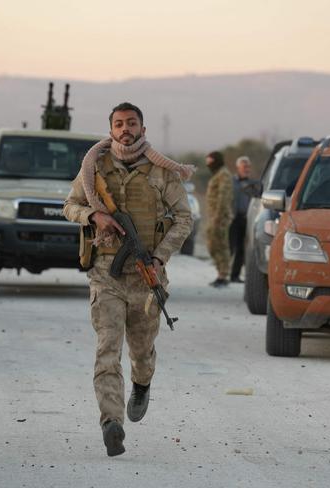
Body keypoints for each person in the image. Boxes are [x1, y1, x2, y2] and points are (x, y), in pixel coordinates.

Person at [63, 102, 194, 457]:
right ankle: (111, 423)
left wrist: (159, 256)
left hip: (146, 275)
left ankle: (142, 384)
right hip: (105, 273)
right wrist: (94, 216)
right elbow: (69, 205)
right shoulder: (95, 167)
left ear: (142, 129)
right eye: (119, 124)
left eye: (131, 123)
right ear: (111, 130)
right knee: (107, 350)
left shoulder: (161, 171)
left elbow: (184, 218)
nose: (125, 129)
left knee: (141, 350)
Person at [205, 151, 233, 287]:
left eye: (210, 162)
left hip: (220, 217)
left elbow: (223, 198)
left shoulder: (224, 175)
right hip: (214, 217)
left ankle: (223, 275)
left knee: (221, 245)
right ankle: (221, 272)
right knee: (212, 245)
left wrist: (217, 217)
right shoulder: (217, 174)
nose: (208, 165)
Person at [229, 155, 255, 283]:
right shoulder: (230, 182)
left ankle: (235, 276)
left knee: (241, 248)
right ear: (238, 168)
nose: (247, 169)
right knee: (229, 246)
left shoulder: (252, 184)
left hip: (245, 219)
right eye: (244, 166)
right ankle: (222, 274)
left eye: (248, 166)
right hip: (231, 219)